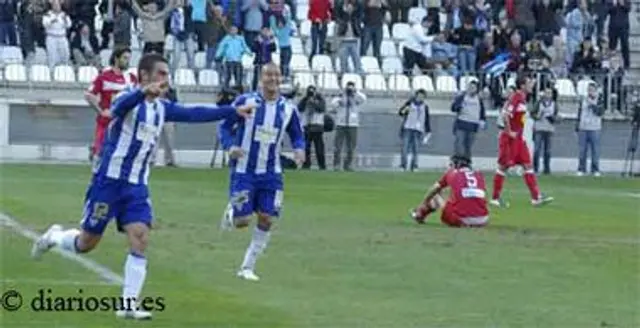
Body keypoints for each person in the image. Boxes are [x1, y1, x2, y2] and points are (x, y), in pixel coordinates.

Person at [30, 53, 255, 320]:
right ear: (145, 76)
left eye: (167, 75)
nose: (166, 80)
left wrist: (232, 111)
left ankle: (128, 305)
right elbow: (117, 108)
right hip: (108, 182)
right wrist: (141, 92)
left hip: (136, 186)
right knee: (87, 242)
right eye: (161, 74)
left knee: (140, 236)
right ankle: (55, 237)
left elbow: (195, 113)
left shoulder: (162, 107)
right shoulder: (127, 98)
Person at [218, 63, 305, 282]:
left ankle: (247, 267)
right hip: (244, 170)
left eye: (276, 75)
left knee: (267, 219)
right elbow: (225, 127)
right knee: (242, 221)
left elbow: (297, 133)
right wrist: (230, 147)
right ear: (261, 78)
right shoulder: (245, 102)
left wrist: (299, 149)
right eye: (268, 75)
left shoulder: (287, 108)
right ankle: (233, 209)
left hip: (271, 173)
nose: (273, 79)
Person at [490, 76, 554, 208]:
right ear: (523, 85)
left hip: (518, 138)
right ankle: (495, 198)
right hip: (510, 139)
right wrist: (508, 131)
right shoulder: (517, 97)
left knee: (527, 165)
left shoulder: (522, 98)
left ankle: (535, 197)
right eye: (529, 82)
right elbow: (506, 115)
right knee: (503, 166)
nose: (532, 85)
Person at [84, 47, 137, 163]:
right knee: (101, 157)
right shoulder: (104, 76)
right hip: (107, 122)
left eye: (129, 58)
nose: (127, 61)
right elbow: (88, 95)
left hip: (125, 123)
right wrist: (101, 111)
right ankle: (96, 152)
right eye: (125, 58)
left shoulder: (131, 78)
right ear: (116, 58)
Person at [409, 154, 489, 228]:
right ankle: (420, 214)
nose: (449, 167)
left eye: (451, 165)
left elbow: (433, 189)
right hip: (483, 219)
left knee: (436, 196)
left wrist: (423, 203)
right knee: (454, 198)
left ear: (456, 164)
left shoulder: (452, 173)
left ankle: (419, 214)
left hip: (462, 220)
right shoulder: (479, 175)